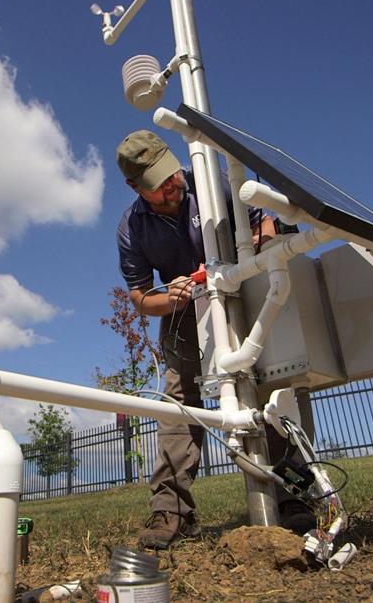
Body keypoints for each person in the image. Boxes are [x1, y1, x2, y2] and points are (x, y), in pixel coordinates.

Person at [115, 130, 308, 549]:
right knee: (177, 405)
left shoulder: (209, 181)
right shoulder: (131, 229)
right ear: (134, 187)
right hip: (183, 315)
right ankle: (171, 511)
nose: (170, 185)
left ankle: (293, 494)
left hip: (247, 294)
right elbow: (140, 298)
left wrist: (253, 249)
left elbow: (268, 222)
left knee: (270, 386)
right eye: (156, 184)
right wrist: (171, 296)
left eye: (168, 174)